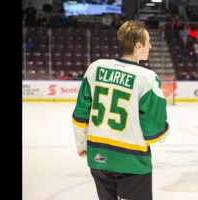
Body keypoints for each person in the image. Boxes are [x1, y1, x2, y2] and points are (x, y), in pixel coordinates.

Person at [72, 20, 169, 200]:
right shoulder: (147, 78)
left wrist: (81, 143)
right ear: (138, 45)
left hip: (98, 156)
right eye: (148, 42)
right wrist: (165, 131)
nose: (151, 46)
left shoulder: (95, 67)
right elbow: (154, 131)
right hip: (132, 161)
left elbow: (80, 113)